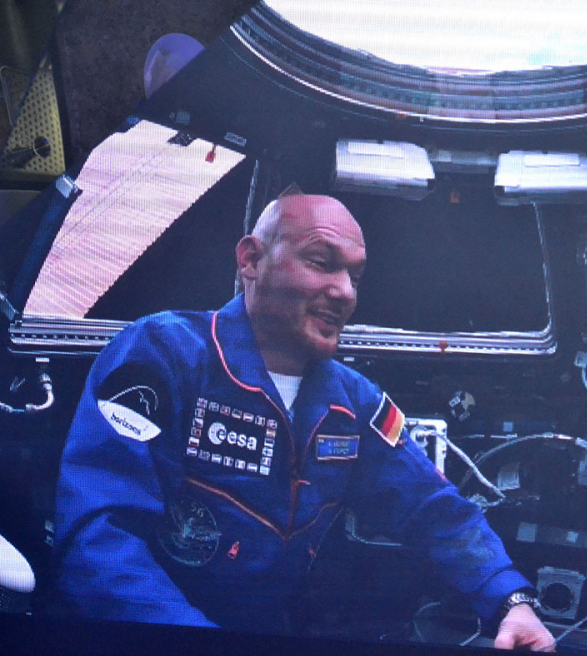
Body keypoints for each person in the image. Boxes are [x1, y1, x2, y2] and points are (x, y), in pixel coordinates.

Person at [53, 190, 555, 651]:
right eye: (321, 263)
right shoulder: (163, 354)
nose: (344, 292)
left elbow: (434, 510)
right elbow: (100, 539)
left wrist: (510, 602)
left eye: (355, 276)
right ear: (251, 260)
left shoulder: (354, 403)